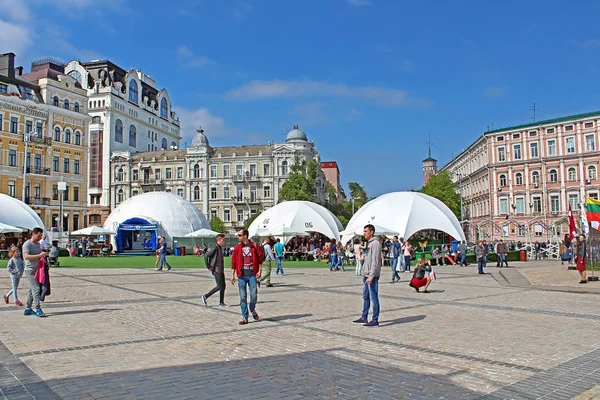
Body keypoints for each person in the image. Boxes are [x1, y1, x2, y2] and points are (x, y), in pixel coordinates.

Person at [231, 229, 263, 325]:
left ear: (245, 236)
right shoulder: (237, 248)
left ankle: (252, 309)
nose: (238, 237)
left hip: (252, 275)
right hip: (242, 276)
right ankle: (245, 317)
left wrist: (260, 271)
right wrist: (232, 275)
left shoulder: (255, 246)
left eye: (239, 235)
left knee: (253, 295)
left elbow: (260, 259)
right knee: (242, 297)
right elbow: (234, 262)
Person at [352, 224, 381, 327]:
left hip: (371, 275)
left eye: (366, 231)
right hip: (366, 274)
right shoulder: (369, 243)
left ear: (371, 232)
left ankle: (375, 319)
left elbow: (376, 261)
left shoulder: (375, 243)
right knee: (366, 296)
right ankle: (364, 317)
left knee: (373, 297)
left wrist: (371, 276)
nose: (364, 233)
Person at [22, 227, 48, 317]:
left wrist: (44, 256)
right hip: (30, 270)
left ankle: (28, 308)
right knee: (36, 289)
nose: (40, 238)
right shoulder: (27, 244)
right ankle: (37, 308)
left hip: (37, 270)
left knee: (31, 289)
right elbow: (26, 256)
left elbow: (40, 255)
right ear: (33, 234)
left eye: (41, 236)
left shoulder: (38, 244)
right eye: (38, 236)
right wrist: (39, 255)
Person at [202, 234, 227, 306]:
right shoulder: (215, 248)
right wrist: (208, 266)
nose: (224, 241)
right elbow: (206, 256)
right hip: (216, 270)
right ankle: (205, 296)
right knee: (219, 286)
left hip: (221, 270)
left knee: (223, 286)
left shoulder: (219, 248)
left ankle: (221, 302)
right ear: (219, 240)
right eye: (223, 240)